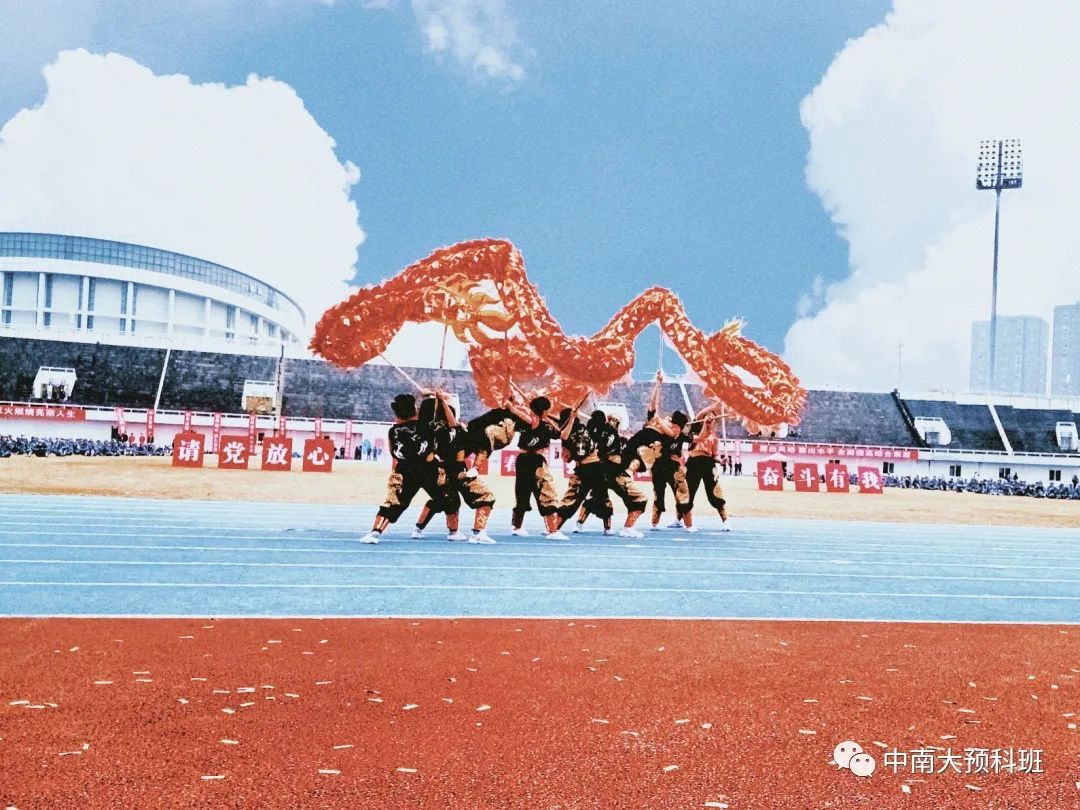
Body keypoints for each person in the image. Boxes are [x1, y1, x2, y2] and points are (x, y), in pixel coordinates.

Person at [359, 393, 446, 544]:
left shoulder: (393, 431)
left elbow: (394, 453)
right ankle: (420, 527)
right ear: (414, 409)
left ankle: (375, 532)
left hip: (406, 471)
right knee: (445, 498)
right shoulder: (426, 426)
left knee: (395, 503)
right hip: (428, 470)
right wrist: (434, 396)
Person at [411, 392, 496, 544]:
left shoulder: (426, 432)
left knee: (445, 500)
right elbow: (453, 423)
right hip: (458, 472)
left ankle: (423, 529)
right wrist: (442, 401)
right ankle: (478, 532)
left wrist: (432, 398)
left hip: (440, 472)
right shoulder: (454, 431)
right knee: (486, 496)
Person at [506, 391, 569, 540]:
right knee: (546, 493)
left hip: (522, 460)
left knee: (522, 492)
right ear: (544, 410)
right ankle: (552, 531)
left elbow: (517, 414)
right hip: (535, 462)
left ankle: (516, 527)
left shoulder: (527, 422)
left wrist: (513, 406)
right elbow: (564, 436)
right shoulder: (541, 424)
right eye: (547, 410)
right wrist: (571, 419)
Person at [555, 409, 614, 535]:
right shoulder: (570, 432)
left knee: (602, 498)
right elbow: (568, 457)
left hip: (595, 468)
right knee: (572, 499)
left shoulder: (582, 430)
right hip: (586, 469)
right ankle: (554, 527)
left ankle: (608, 528)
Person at [678, 409, 732, 532]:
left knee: (714, 492)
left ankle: (725, 520)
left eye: (712, 418)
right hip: (693, 462)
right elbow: (700, 416)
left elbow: (715, 455)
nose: (709, 420)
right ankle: (679, 519)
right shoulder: (694, 431)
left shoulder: (714, 437)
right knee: (688, 491)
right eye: (707, 417)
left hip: (708, 463)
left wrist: (721, 461)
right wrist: (715, 406)